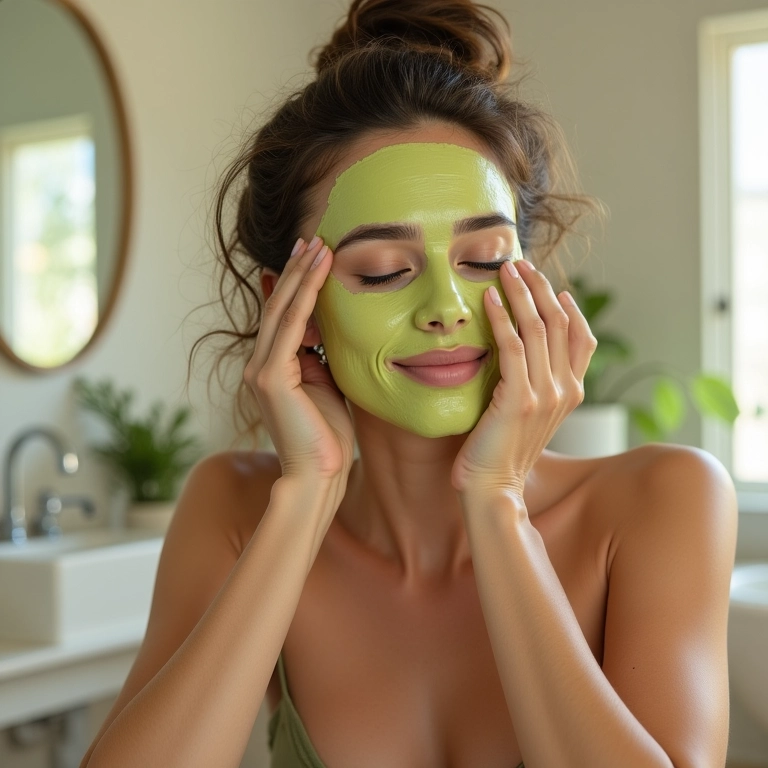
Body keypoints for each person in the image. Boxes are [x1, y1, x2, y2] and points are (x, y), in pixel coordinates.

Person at [81, 1, 738, 767]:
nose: (446, 309)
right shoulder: (234, 510)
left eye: (484, 260)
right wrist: (305, 499)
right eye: (382, 271)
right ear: (294, 307)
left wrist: (497, 502)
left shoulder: (661, 501)